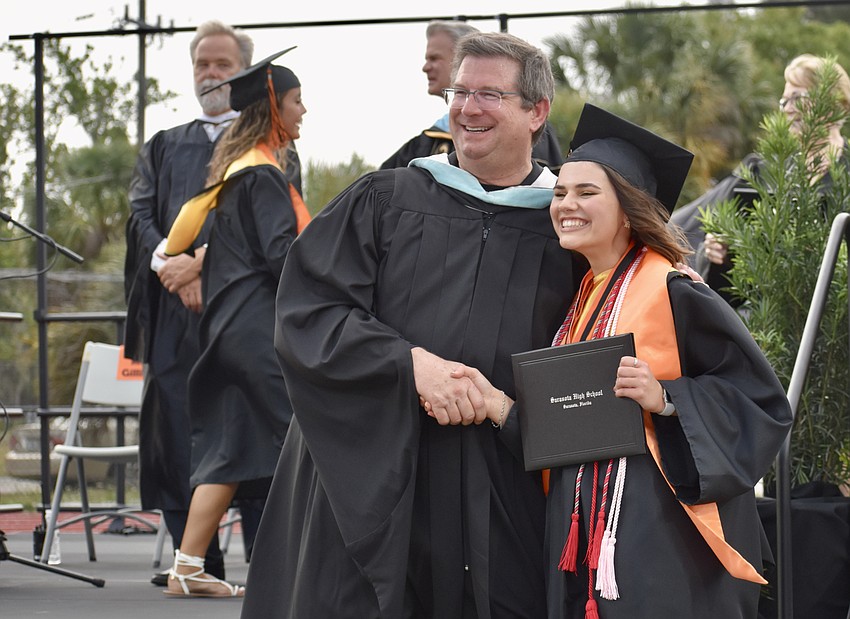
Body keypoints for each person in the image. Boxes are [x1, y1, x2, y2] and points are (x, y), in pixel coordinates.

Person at [241, 32, 585, 618]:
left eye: (489, 94)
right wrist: (408, 365)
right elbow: (310, 311)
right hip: (376, 472)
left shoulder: (569, 227)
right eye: (460, 90)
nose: (467, 108)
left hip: (503, 485)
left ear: (536, 111)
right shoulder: (386, 199)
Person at [453, 104, 793, 618]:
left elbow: (760, 402)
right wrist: (501, 408)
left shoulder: (674, 289)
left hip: (664, 537)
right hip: (586, 535)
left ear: (628, 207)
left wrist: (668, 399)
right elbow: (576, 423)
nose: (567, 204)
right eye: (561, 192)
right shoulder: (580, 300)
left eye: (588, 192)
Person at [160, 48, 309, 598]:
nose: (304, 111)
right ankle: (321, 561)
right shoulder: (264, 176)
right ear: (273, 108)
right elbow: (283, 254)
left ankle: (187, 566)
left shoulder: (234, 175)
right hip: (254, 333)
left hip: (224, 332)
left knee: (229, 447)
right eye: (296, 101)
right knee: (309, 434)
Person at [123, 19, 253, 586]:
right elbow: (140, 214)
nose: (210, 73)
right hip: (173, 314)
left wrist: (203, 265)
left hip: (236, 311)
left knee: (244, 426)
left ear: (244, 71)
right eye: (202, 63)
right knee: (173, 430)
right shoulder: (164, 143)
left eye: (222, 64)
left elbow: (262, 222)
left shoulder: (263, 143)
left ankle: (266, 562)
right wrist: (169, 266)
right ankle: (191, 562)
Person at [670, 53, 850, 303]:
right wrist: (718, 254)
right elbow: (731, 277)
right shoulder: (763, 174)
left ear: (835, 102)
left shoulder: (846, 174)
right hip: (769, 322)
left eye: (798, 97)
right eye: (784, 100)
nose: (787, 109)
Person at [380, 20, 564, 172]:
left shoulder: (527, 132)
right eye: (461, 92)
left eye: (490, 94)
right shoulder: (423, 145)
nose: (425, 67)